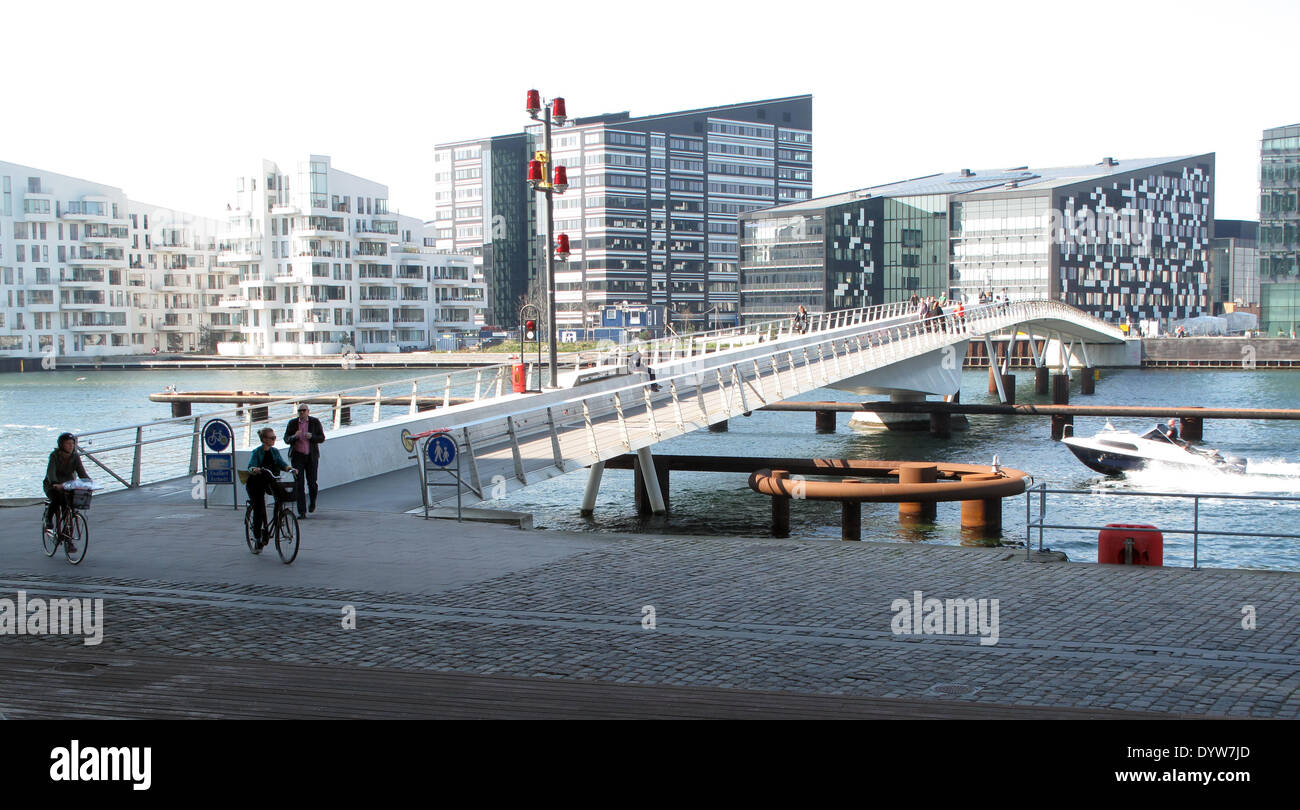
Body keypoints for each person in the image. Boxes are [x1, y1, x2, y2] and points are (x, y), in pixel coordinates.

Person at [246, 427, 296, 551]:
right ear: (264, 439)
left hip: (270, 481)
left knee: (280, 500)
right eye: (271, 438)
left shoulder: (274, 451)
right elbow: (251, 466)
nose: (274, 439)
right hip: (256, 483)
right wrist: (254, 469)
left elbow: (281, 463)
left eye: (274, 437)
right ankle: (258, 538)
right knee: (259, 509)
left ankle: (277, 520)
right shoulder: (257, 452)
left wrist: (290, 469)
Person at [44, 433, 90, 553]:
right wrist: (55, 483)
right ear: (61, 445)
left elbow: (82, 472)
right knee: (57, 499)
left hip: (68, 485)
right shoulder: (54, 456)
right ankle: (48, 519)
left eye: (72, 443)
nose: (71, 446)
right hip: (52, 485)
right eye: (68, 444)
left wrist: (89, 482)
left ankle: (68, 541)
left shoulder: (75, 456)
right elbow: (51, 472)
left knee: (68, 508)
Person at [283, 405, 325, 518]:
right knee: (299, 484)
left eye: (303, 410)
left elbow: (322, 438)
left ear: (308, 412)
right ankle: (302, 511)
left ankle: (312, 502)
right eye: (299, 411)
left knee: (312, 482)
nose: (301, 412)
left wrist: (312, 437)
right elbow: (286, 439)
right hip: (297, 457)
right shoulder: (292, 423)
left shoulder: (314, 422)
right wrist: (294, 437)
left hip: (311, 457)